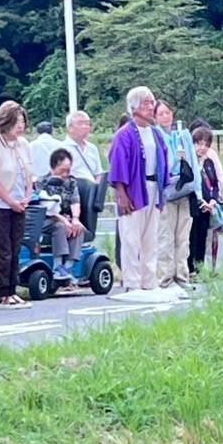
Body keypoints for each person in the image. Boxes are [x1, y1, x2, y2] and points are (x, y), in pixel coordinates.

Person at [108, 86, 170, 292]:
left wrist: (163, 193)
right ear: (134, 107)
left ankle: (149, 281)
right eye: (146, 103)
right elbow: (118, 164)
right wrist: (122, 194)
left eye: (152, 102)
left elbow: (163, 163)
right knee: (131, 238)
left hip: (154, 188)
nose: (151, 107)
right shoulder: (124, 134)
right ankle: (132, 282)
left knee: (151, 239)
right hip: (134, 189)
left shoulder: (156, 134)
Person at [0, 101, 33, 307]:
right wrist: (9, 201)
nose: (20, 126)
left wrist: (27, 196)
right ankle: (3, 291)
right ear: (5, 122)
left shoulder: (24, 144)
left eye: (22, 121)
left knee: (15, 247)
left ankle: (13, 289)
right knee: (2, 249)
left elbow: (28, 174)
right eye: (16, 122)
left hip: (20, 202)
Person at [154, 100, 200, 290]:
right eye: (161, 114)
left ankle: (182, 276)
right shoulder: (156, 136)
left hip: (185, 189)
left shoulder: (182, 134)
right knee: (166, 236)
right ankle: (165, 279)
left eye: (168, 112)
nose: (165, 117)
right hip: (167, 191)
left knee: (183, 237)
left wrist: (197, 190)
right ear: (155, 117)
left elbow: (193, 162)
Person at [42, 150, 85, 285]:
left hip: (66, 217)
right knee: (60, 227)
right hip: (47, 219)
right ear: (53, 167)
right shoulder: (43, 182)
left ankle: (68, 267)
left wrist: (75, 219)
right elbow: (47, 208)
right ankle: (57, 265)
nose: (65, 174)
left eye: (68, 170)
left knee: (78, 228)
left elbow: (75, 201)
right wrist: (64, 220)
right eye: (62, 170)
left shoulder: (71, 182)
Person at [60, 110, 104, 238]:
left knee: (89, 230)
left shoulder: (92, 148)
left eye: (87, 123)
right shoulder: (62, 148)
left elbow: (98, 173)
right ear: (70, 127)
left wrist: (96, 190)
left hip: (90, 194)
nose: (85, 126)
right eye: (80, 123)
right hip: (73, 195)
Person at [189, 124, 223, 274]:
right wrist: (201, 201)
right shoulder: (190, 162)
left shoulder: (209, 162)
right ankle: (190, 268)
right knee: (192, 237)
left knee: (203, 237)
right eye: (199, 144)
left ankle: (200, 268)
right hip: (194, 205)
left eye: (206, 145)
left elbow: (215, 184)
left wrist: (213, 200)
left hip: (208, 206)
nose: (202, 148)